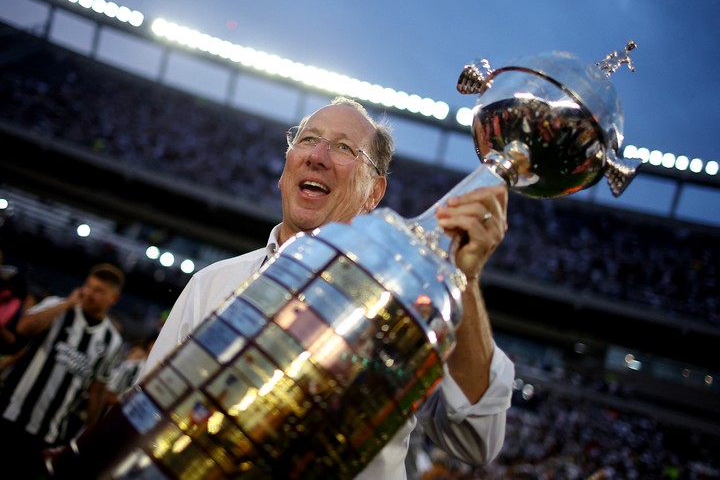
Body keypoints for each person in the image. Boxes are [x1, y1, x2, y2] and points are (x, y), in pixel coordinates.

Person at [142, 96, 515, 479]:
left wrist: (465, 280)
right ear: (284, 172)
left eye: (343, 148)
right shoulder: (212, 283)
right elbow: (145, 417)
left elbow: (476, 439)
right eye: (306, 140)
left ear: (374, 193)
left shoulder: (408, 309)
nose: (317, 156)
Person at [0, 263, 125, 480]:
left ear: (112, 299)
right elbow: (23, 328)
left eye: (98, 291)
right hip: (8, 412)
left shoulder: (111, 341)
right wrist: (67, 304)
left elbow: (97, 391)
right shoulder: (57, 307)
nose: (89, 293)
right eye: (88, 286)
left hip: (48, 432)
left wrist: (89, 434)